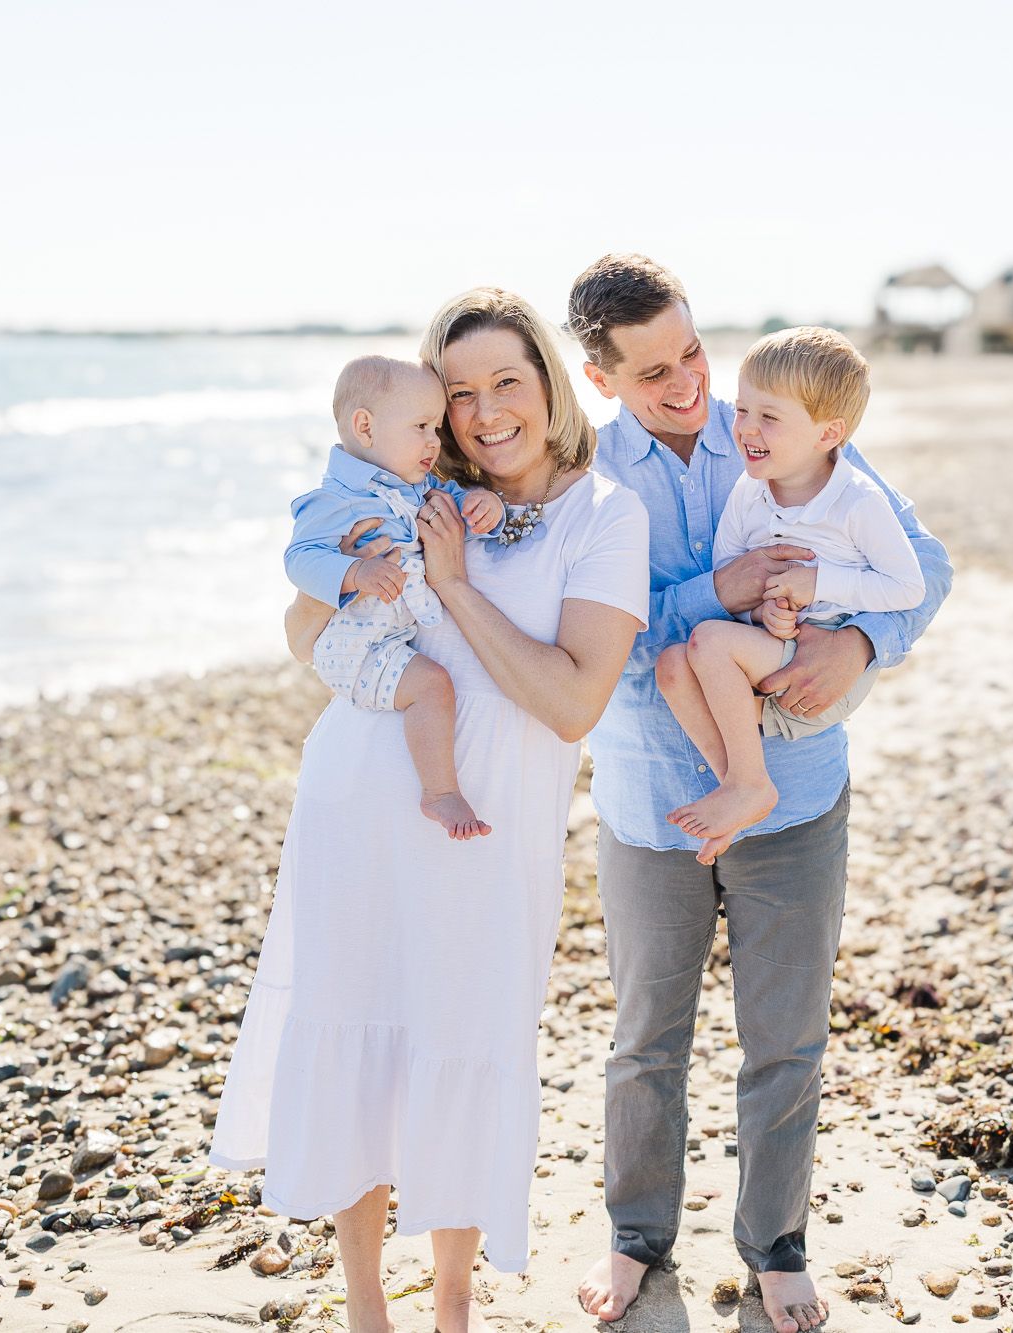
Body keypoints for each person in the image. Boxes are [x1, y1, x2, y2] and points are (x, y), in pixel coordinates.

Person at [212, 288, 650, 1333]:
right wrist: (345, 586)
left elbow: (567, 701)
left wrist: (452, 586)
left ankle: (451, 1307)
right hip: (361, 799)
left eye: (507, 381)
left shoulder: (604, 515)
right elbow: (298, 624)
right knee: (355, 1032)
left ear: (548, 383)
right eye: (459, 393)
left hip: (491, 831)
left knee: (467, 1041)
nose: (485, 410)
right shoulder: (411, 486)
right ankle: (366, 1303)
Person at [564, 254, 952, 1333]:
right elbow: (596, 638)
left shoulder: (787, 428)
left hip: (794, 798)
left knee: (785, 1038)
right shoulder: (588, 477)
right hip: (648, 803)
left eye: (690, 351)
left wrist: (864, 645)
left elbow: (922, 563)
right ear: (603, 382)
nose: (688, 385)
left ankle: (775, 1247)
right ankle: (636, 1242)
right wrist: (713, 592)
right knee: (645, 1039)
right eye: (652, 373)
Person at [659, 327, 925, 864]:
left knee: (708, 640)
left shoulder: (857, 501)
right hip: (771, 653)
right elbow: (728, 577)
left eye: (769, 417)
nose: (746, 429)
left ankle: (750, 782)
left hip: (825, 671)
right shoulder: (749, 493)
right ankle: (739, 783)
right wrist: (763, 609)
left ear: (829, 433)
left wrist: (818, 583)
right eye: (742, 410)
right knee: (670, 665)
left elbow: (907, 586)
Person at [284, 354, 506, 839]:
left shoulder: (413, 484)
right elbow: (299, 559)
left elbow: (448, 496)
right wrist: (353, 571)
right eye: (422, 427)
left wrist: (481, 503)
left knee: (432, 685)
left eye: (437, 428)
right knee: (432, 687)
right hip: (355, 648)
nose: (435, 442)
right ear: (364, 426)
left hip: (391, 637)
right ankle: (441, 793)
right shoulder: (334, 501)